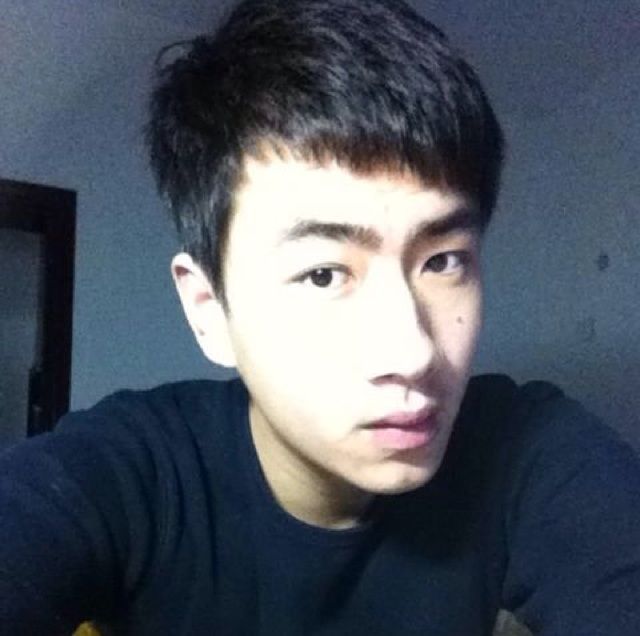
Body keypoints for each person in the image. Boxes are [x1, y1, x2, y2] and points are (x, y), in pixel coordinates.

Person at [1, 0, 639, 634]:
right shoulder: (132, 474)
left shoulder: (529, 450)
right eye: (324, 274)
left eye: (442, 261)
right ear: (209, 311)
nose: (413, 353)